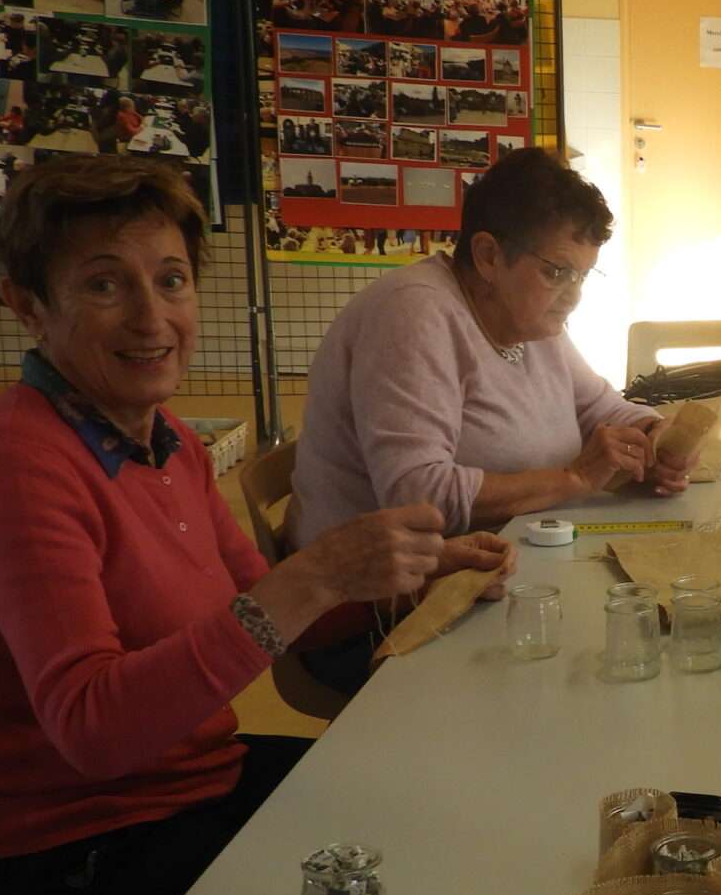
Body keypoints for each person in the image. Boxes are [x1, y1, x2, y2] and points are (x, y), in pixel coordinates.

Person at [0, 156, 511, 895]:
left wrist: (415, 572)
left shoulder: (167, 442)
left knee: (444, 811)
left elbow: (278, 610)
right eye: (104, 285)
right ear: (27, 306)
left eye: (171, 280)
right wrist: (318, 574)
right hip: (69, 852)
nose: (151, 318)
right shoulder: (13, 466)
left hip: (191, 786)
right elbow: (93, 730)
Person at [288, 148, 687, 685]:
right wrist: (573, 479)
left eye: (583, 275)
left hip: (494, 564)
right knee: (596, 665)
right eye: (557, 272)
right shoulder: (414, 315)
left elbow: (600, 405)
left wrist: (653, 437)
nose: (573, 296)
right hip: (377, 607)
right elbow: (417, 496)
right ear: (488, 256)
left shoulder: (528, 319)